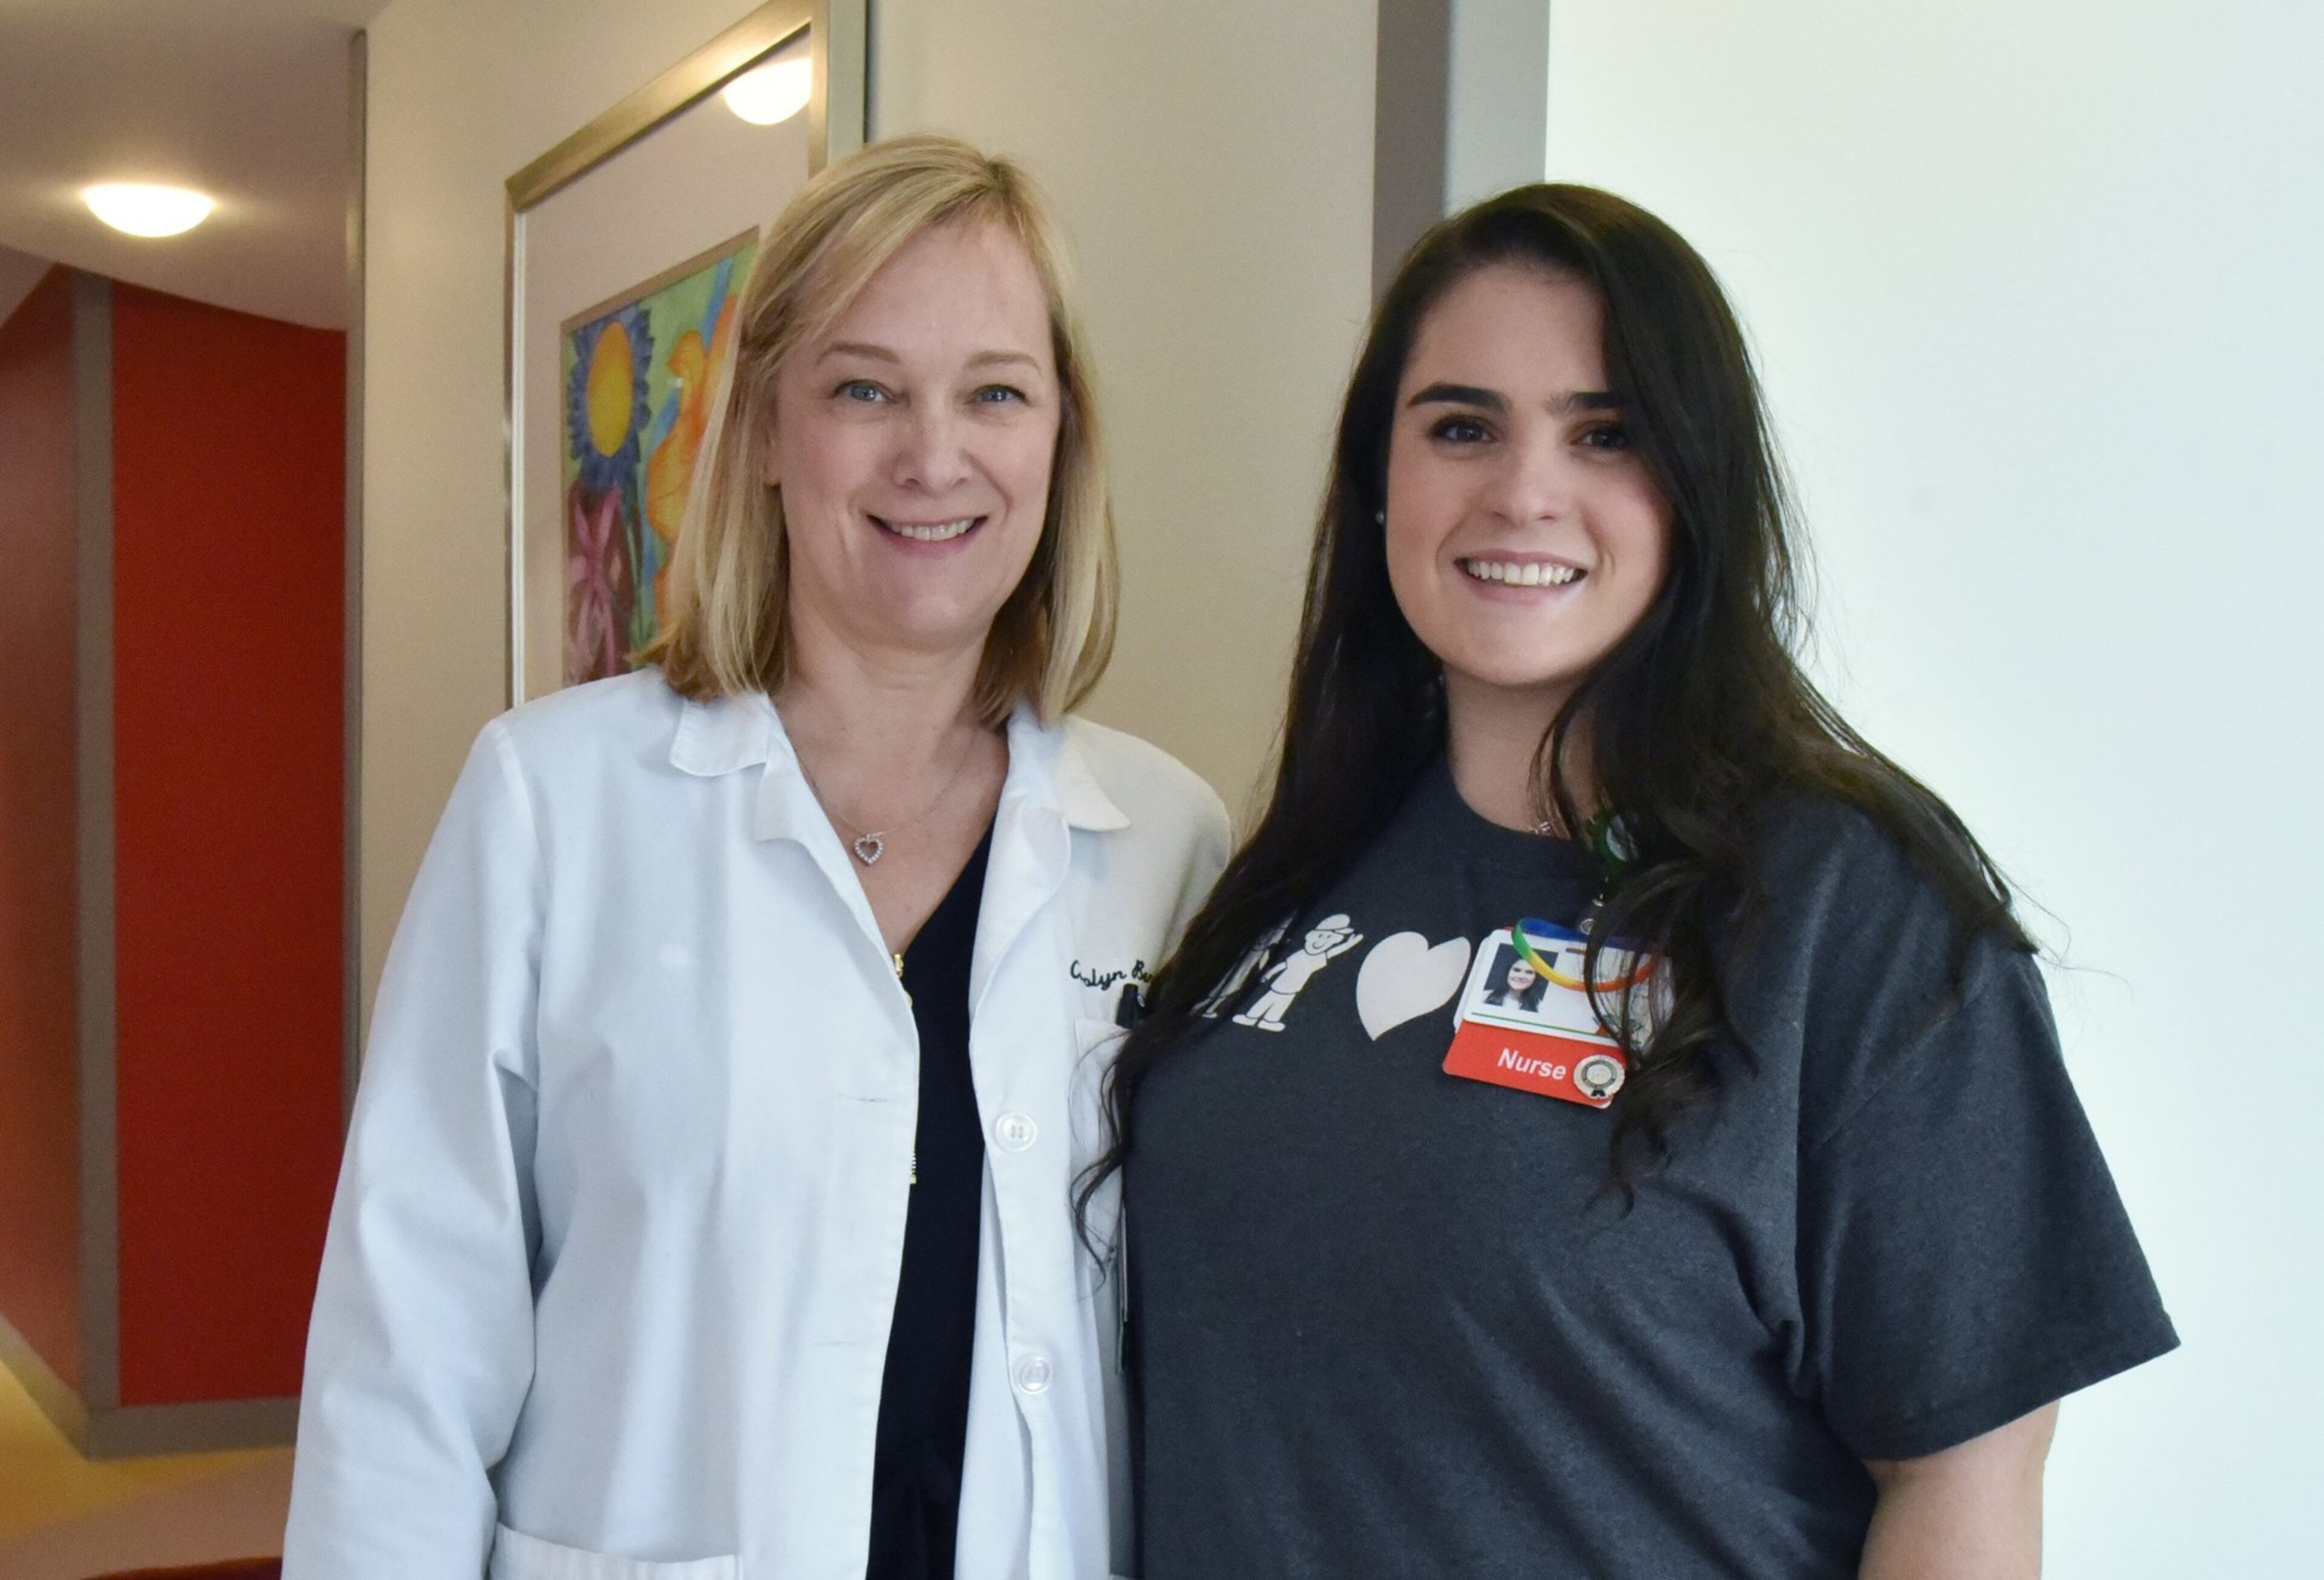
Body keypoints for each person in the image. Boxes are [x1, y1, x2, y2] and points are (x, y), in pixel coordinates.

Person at [1097, 184, 2177, 1578]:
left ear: (1696, 482)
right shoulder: (1304, 867)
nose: (1523, 491)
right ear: (1382, 483)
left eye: (1606, 433)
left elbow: (1965, 1471)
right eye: (1462, 426)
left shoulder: (1850, 914)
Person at [283, 136, 1228, 1580]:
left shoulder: (1171, 842)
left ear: (1060, 440)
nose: (934, 455)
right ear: (769, 431)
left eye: (995, 392)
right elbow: (406, 1359)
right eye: (864, 389)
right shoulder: (553, 800)